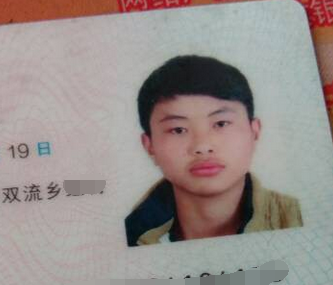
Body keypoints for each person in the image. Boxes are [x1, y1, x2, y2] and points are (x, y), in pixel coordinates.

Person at [126, 55, 302, 247]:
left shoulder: (298, 217)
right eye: (178, 130)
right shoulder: (128, 236)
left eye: (221, 123)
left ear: (254, 131)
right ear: (149, 145)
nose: (202, 146)